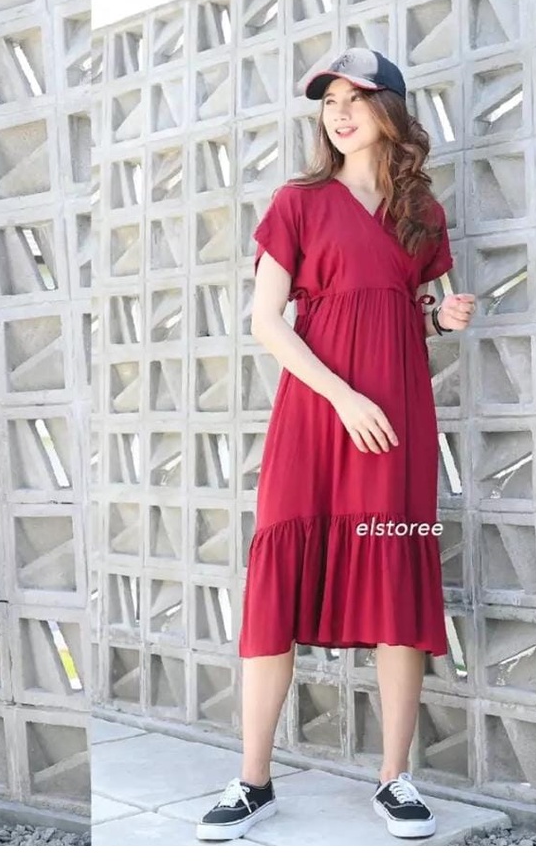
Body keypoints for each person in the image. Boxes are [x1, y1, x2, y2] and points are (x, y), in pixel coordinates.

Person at [196, 49, 475, 842]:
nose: (341, 113)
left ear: (392, 111)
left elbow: (400, 310)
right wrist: (344, 397)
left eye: (357, 98)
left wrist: (439, 319)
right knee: (278, 582)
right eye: (330, 102)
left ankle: (395, 777)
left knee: (395, 577)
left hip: (395, 420)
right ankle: (253, 779)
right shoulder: (299, 201)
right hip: (319, 414)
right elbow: (266, 322)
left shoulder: (421, 211)